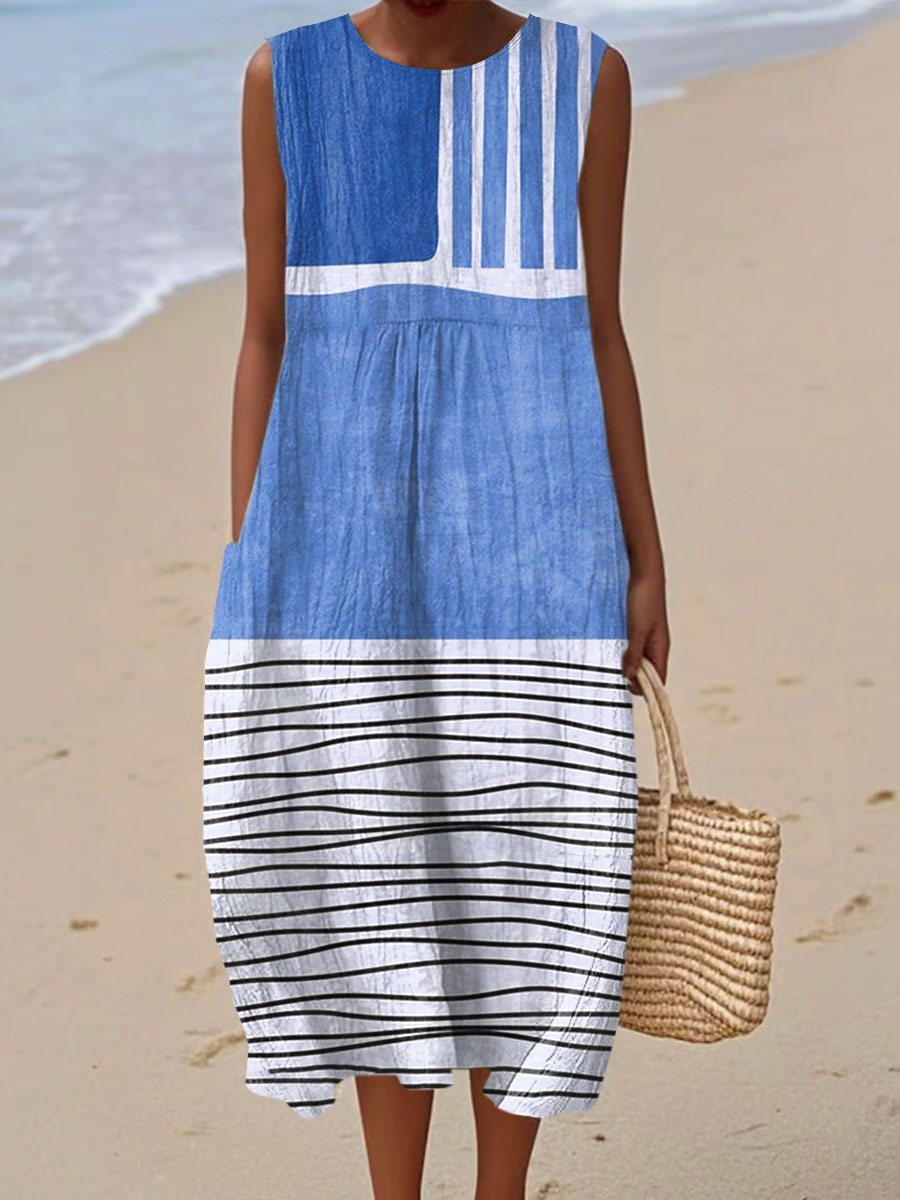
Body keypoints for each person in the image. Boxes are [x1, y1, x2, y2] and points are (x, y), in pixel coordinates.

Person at [202, 4, 669, 1198]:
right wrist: (255, 546)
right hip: (338, 554)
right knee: (378, 879)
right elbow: (264, 334)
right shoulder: (284, 78)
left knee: (531, 878)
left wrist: (645, 556)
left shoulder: (585, 79)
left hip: (540, 541)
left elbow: (600, 331)